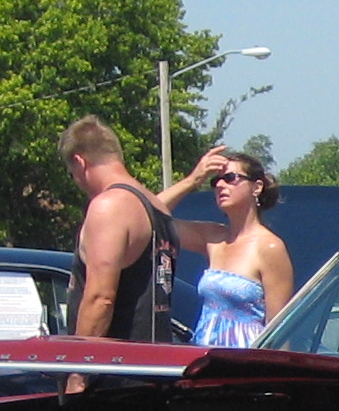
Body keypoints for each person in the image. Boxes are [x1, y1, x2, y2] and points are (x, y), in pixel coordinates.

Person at [157, 148, 296, 347]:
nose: (220, 185)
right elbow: (151, 216)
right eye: (215, 181)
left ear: (256, 187)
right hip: (206, 361)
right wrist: (193, 180)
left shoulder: (270, 247)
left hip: (245, 363)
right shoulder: (213, 237)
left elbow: (279, 331)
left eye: (230, 178)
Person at [59, 117, 180, 342]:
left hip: (117, 367)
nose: (75, 180)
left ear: (80, 162)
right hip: (155, 363)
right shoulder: (157, 207)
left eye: (71, 172)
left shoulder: (109, 206)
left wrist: (78, 372)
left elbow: (100, 298)